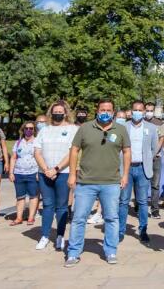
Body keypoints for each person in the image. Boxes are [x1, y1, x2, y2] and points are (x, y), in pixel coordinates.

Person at [65, 100, 131, 267]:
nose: (105, 112)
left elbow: (126, 151)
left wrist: (125, 175)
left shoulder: (121, 129)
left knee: (111, 218)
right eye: (102, 109)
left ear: (113, 112)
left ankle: (110, 251)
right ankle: (73, 252)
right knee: (79, 218)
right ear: (97, 110)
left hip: (111, 183)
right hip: (86, 182)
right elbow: (74, 150)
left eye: (109, 110)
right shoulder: (85, 128)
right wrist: (72, 174)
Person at [34, 100, 77, 251]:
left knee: (62, 206)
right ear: (51, 113)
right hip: (45, 173)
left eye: (60, 112)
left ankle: (60, 235)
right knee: (47, 205)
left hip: (63, 173)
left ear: (66, 113)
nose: (57, 114)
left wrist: (56, 169)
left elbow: (72, 153)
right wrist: (46, 169)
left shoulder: (73, 129)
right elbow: (37, 152)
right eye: (55, 112)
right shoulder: (44, 130)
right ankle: (44, 235)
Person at [117, 100, 156, 245]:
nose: (137, 112)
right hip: (126, 169)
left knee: (143, 201)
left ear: (144, 112)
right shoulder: (123, 127)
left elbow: (154, 148)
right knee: (123, 201)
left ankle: (143, 230)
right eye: (135, 110)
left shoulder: (151, 128)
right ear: (131, 111)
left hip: (142, 169)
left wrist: (146, 160)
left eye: (140, 110)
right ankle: (120, 231)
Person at [10, 121, 41, 226]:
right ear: (23, 130)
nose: (29, 130)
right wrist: (11, 172)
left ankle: (31, 217)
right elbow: (13, 158)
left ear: (34, 130)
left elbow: (41, 157)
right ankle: (19, 218)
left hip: (33, 173)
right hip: (19, 173)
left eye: (31, 128)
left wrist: (39, 172)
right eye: (26, 128)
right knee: (20, 197)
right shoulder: (18, 143)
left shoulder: (37, 142)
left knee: (33, 196)